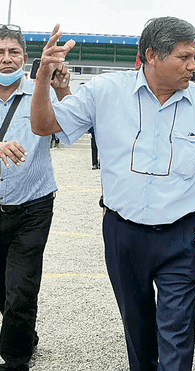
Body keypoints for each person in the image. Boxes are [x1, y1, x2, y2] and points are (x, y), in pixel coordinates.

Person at [30, 18, 195, 371]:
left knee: (177, 331)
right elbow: (43, 126)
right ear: (152, 55)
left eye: (193, 56)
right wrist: (43, 76)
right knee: (137, 327)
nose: (193, 66)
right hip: (124, 233)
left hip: (184, 234)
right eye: (184, 57)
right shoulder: (104, 91)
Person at [0, 24, 70, 371]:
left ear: (25, 58)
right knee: (4, 288)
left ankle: (15, 360)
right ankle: (24, 335)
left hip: (33, 204)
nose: (6, 59)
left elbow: (72, 130)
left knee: (22, 286)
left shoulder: (40, 91)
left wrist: (63, 88)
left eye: (13, 52)